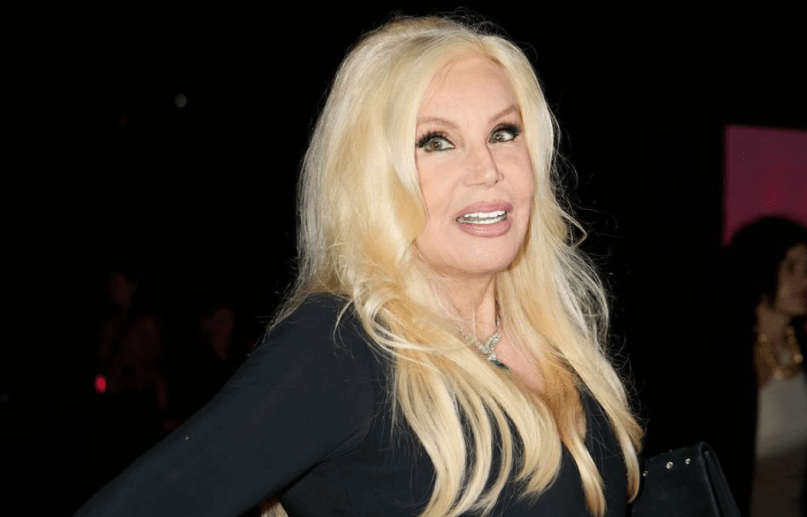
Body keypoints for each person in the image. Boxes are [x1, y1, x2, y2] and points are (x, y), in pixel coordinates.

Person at [75, 15, 642, 516]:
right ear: (374, 177)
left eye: (503, 132)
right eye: (436, 142)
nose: (487, 168)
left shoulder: (554, 335)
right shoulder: (344, 348)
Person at [705, 216, 807, 517]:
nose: (805, 281)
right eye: (790, 267)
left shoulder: (802, 346)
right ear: (759, 269)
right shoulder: (721, 353)